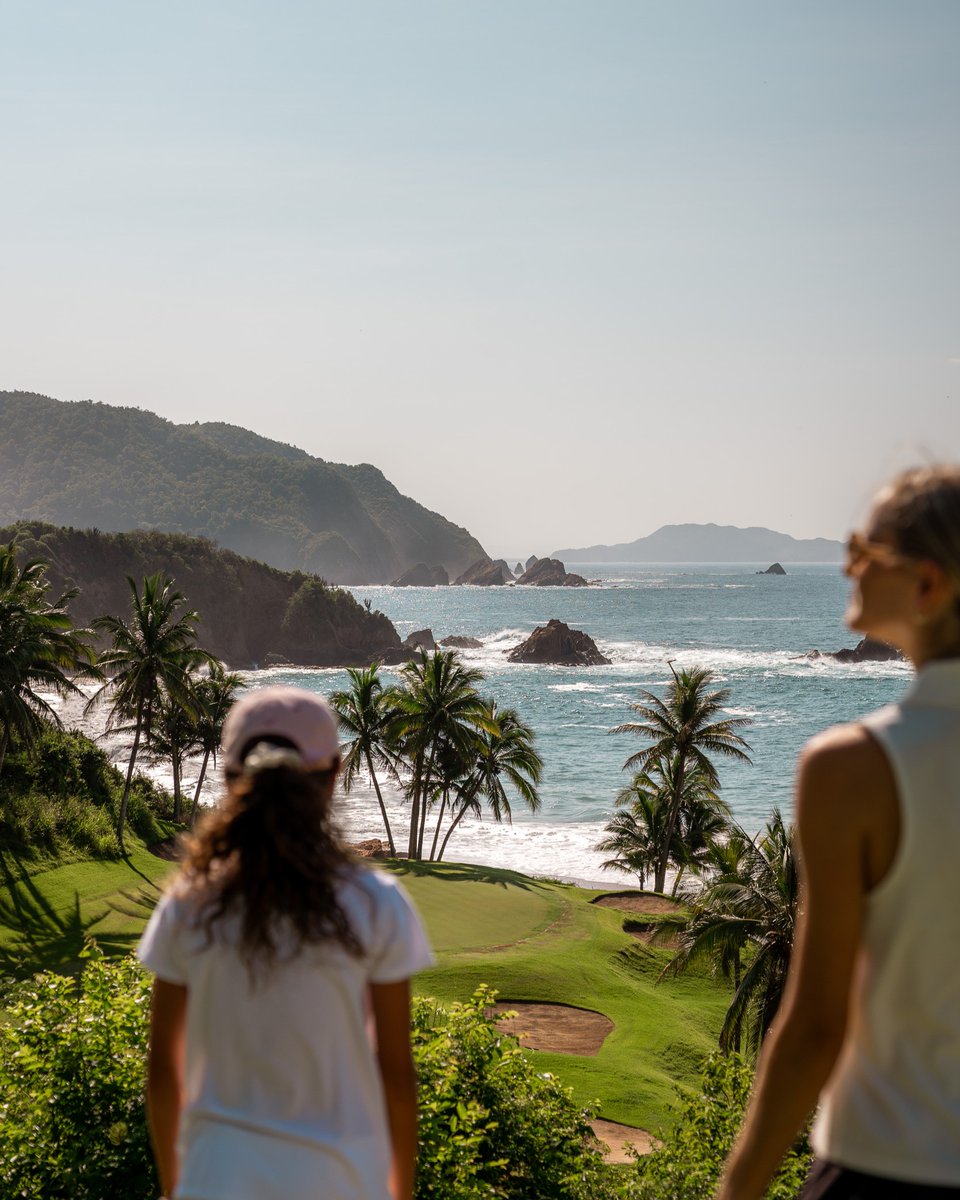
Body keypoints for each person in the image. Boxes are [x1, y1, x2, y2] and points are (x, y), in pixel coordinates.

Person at [715, 465, 960, 1200]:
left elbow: (817, 1023)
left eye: (864, 546)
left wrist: (741, 1186)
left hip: (888, 1164)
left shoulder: (852, 768)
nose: (847, 563)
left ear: (926, 585)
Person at [139, 685, 433, 1200]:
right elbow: (395, 1076)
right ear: (335, 774)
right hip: (343, 1181)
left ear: (231, 779)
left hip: (215, 1180)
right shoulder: (376, 903)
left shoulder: (189, 903)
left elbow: (163, 1069)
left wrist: (173, 1189)